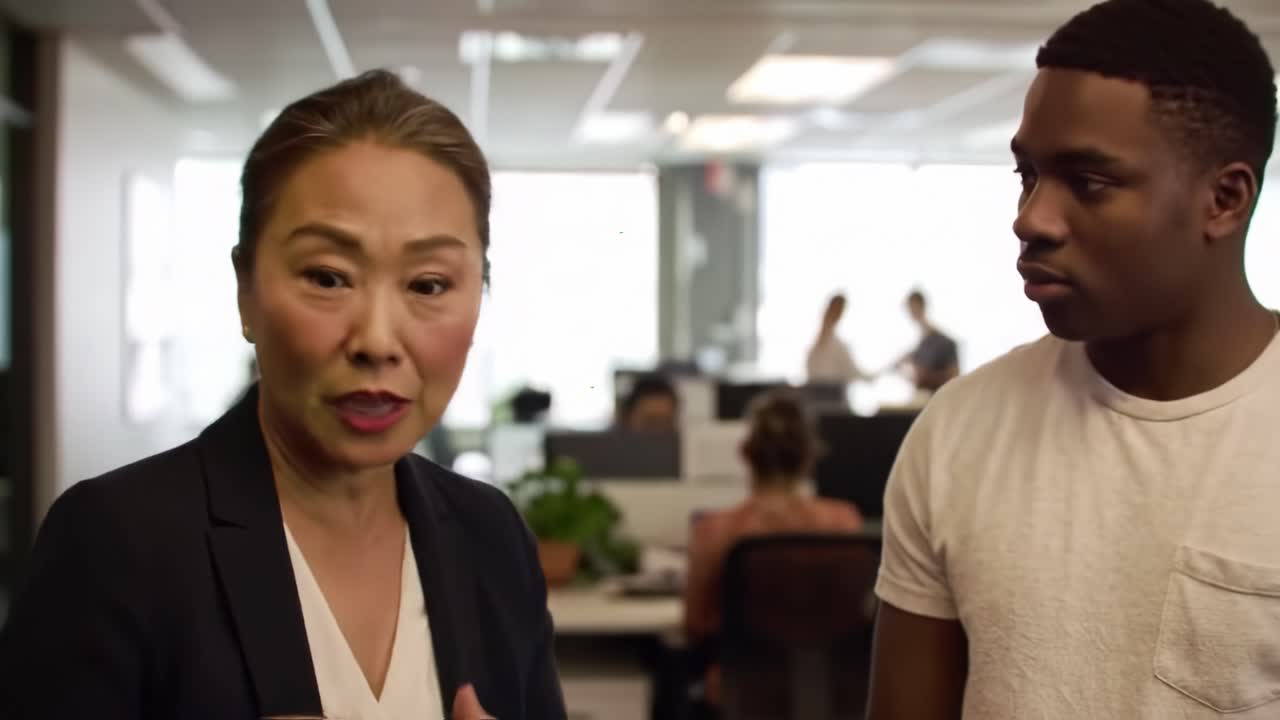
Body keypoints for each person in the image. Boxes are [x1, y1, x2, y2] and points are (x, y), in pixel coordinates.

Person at [0, 70, 564, 720]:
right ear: (246, 291)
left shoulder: (492, 536)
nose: (377, 340)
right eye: (328, 277)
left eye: (429, 285)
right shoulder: (121, 541)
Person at [868, 1, 1280, 718]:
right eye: (1027, 174)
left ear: (1224, 199)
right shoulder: (959, 432)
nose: (1031, 218)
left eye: (1087, 183)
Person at [684, 390, 863, 707]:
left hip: (743, 692)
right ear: (809, 455)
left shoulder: (714, 531)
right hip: (833, 689)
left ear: (744, 452)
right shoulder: (845, 522)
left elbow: (695, 624)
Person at [895, 290, 959, 393]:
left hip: (939, 400)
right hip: (923, 401)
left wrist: (924, 377)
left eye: (913, 308)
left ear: (921, 306)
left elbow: (954, 377)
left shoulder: (944, 343)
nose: (911, 313)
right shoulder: (919, 348)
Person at [806, 293, 874, 385]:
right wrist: (873, 377)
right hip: (829, 394)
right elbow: (852, 372)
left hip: (820, 393)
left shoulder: (828, 342)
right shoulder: (834, 344)